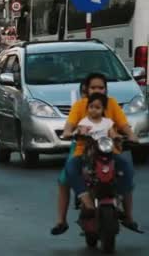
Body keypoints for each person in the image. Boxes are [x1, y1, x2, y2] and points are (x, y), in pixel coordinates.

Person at [51, 73, 141, 235]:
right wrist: (69, 132)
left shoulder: (112, 104)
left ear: (106, 89)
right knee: (69, 171)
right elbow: (69, 126)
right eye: (93, 87)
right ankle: (76, 206)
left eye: (101, 87)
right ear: (86, 89)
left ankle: (123, 208)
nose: (97, 90)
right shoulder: (79, 106)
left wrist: (130, 135)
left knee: (127, 168)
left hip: (109, 150)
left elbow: (123, 125)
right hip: (83, 151)